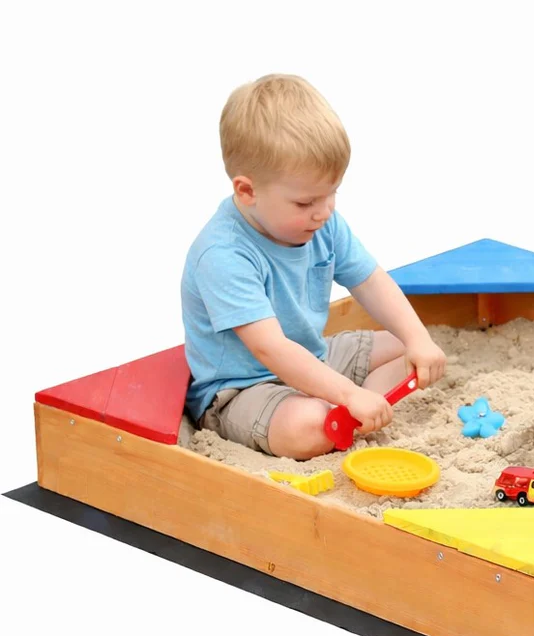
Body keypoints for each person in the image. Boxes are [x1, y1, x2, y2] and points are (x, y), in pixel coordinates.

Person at [181, 74, 445, 459]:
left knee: (408, 347)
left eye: (331, 193)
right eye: (306, 202)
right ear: (247, 191)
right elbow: (270, 349)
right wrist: (348, 393)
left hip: (314, 357)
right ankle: (344, 412)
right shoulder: (223, 254)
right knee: (308, 427)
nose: (324, 212)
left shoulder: (321, 223)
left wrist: (417, 337)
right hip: (244, 389)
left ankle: (353, 415)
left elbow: (370, 281)